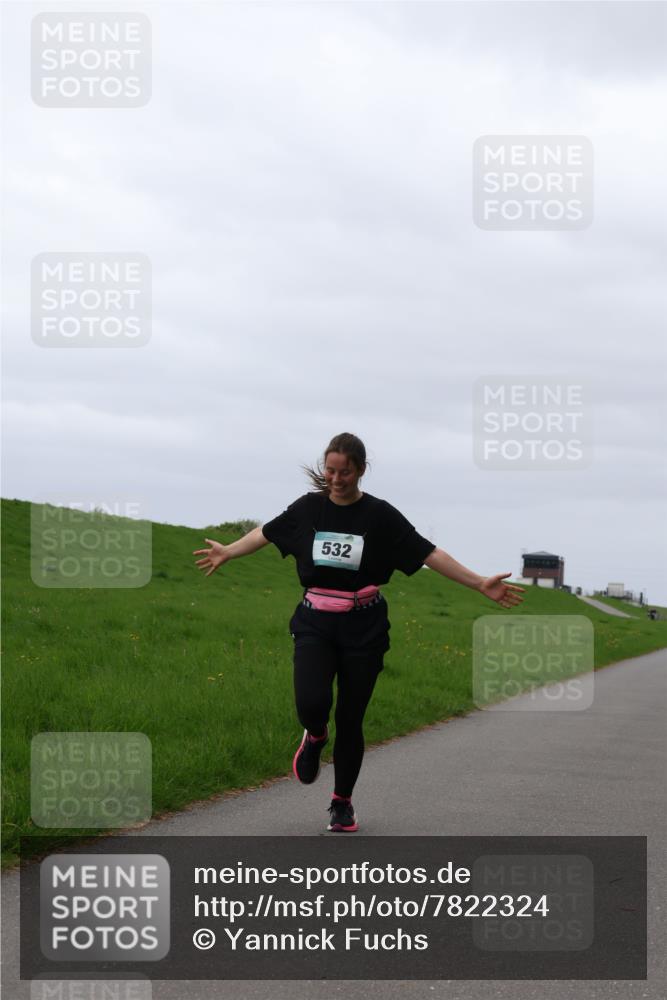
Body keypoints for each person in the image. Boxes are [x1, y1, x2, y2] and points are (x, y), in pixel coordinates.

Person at [194, 432, 525, 833]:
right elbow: (266, 532)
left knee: (351, 717)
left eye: (345, 472)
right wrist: (228, 551)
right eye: (330, 471)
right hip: (315, 621)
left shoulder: (379, 515)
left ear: (361, 471)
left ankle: (342, 803)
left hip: (363, 626)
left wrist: (478, 583)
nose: (336, 479)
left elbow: (429, 553)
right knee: (312, 703)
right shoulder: (309, 508)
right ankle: (316, 736)